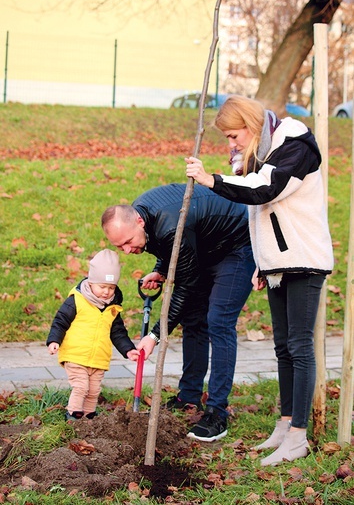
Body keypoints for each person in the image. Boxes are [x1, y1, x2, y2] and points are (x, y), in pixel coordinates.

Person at [185, 95, 334, 465]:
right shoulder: (266, 153)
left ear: (252, 127)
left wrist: (211, 180)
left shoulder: (296, 147)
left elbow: (263, 189)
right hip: (279, 262)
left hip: (304, 259)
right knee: (283, 346)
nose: (231, 145)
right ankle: (286, 424)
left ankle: (299, 435)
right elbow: (262, 214)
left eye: (234, 136)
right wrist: (262, 263)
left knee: (299, 346)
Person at [101, 183, 255, 442]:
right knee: (194, 319)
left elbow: (184, 283)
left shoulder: (168, 224)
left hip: (237, 244)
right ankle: (189, 396)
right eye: (120, 247)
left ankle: (217, 412)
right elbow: (170, 244)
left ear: (138, 221)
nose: (127, 250)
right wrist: (161, 268)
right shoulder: (144, 218)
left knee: (218, 321)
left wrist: (154, 335)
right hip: (205, 245)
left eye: (128, 242)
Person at [47, 249, 139, 421]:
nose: (106, 292)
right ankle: (73, 415)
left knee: (94, 390)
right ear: (90, 282)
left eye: (111, 288)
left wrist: (128, 350)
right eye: (102, 286)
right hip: (76, 355)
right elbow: (60, 321)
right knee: (81, 387)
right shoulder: (77, 300)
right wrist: (54, 340)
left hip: (98, 358)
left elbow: (118, 332)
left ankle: (89, 417)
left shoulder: (112, 308)